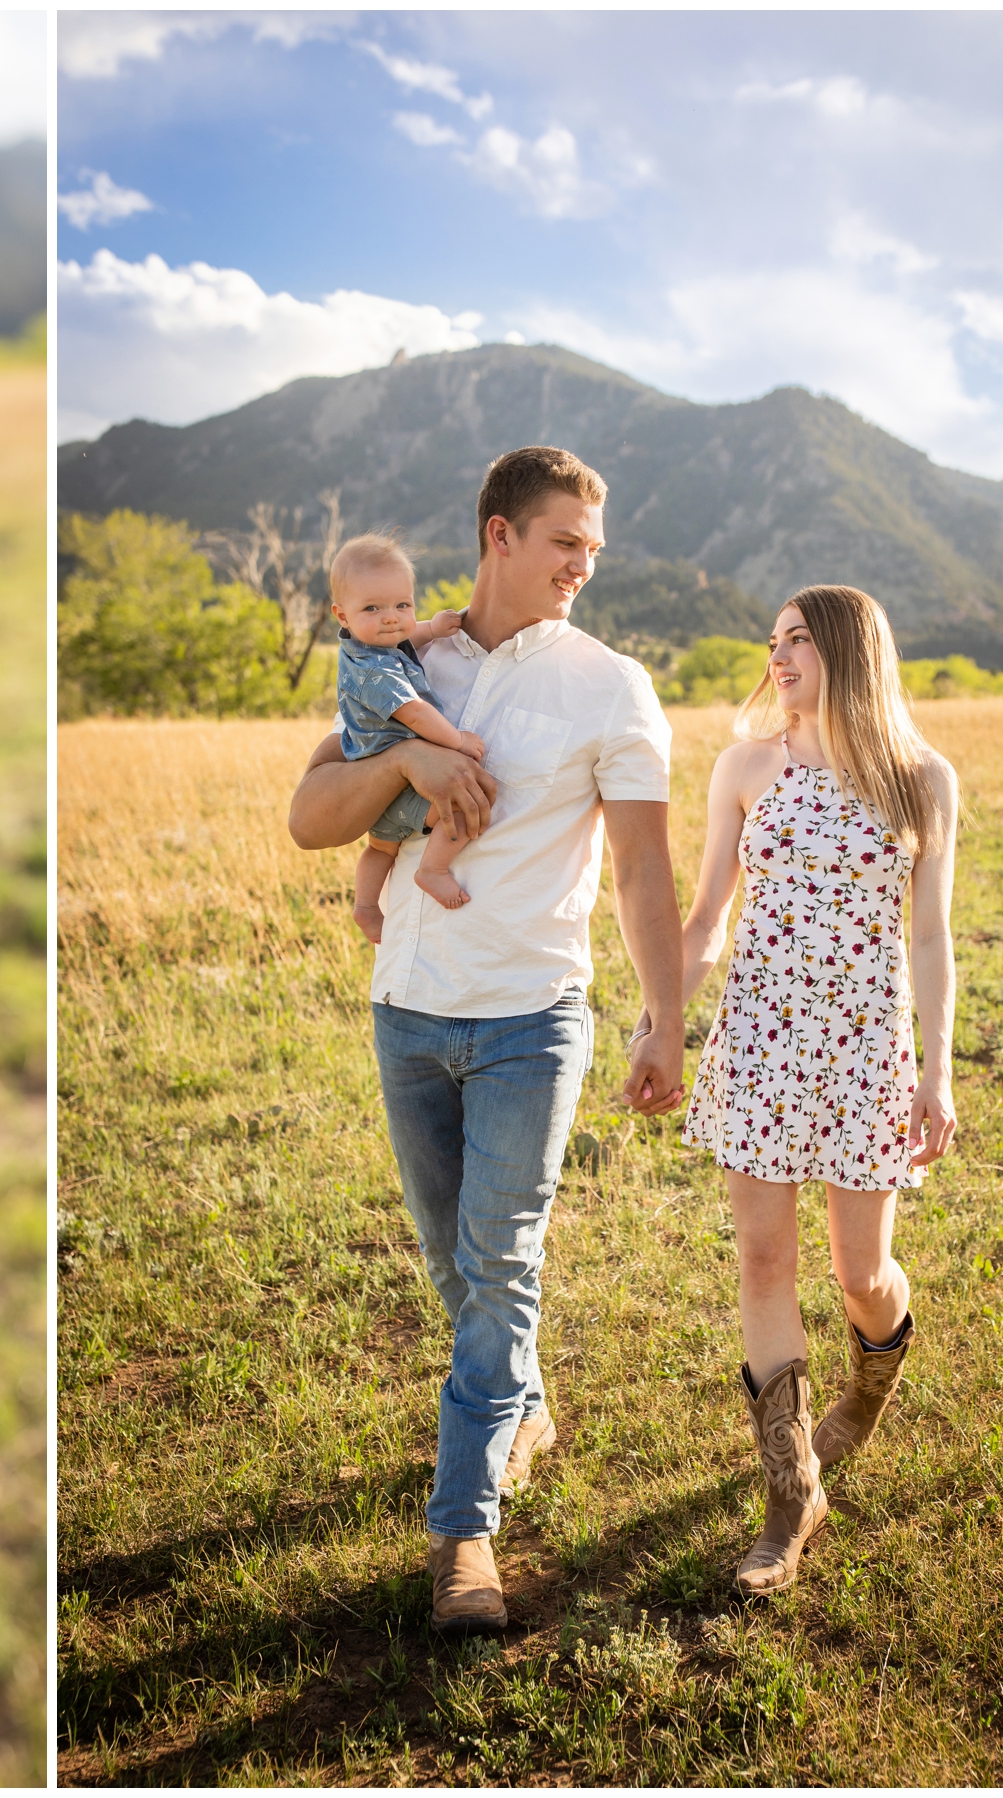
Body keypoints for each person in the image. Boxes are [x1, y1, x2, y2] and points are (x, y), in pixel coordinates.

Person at [289, 445, 686, 1634]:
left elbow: (643, 870)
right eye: (565, 540)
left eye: (595, 549)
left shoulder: (614, 685)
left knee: (502, 1262)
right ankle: (524, 1405)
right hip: (408, 1007)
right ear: (499, 533)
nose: (583, 565)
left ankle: (463, 1536)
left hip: (531, 1015)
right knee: (454, 1266)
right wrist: (406, 756)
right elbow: (311, 817)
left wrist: (665, 1017)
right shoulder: (400, 656)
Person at [675, 585, 957, 1595]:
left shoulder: (921, 780)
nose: (777, 652)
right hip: (758, 1045)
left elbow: (929, 936)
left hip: (863, 1053)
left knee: (862, 1275)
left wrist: (938, 1068)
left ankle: (869, 1391)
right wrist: (664, 1015)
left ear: (847, 648)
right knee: (762, 1260)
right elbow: (707, 916)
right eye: (773, 637)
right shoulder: (747, 765)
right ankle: (793, 1496)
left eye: (798, 637)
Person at [327, 533, 491, 940]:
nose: (391, 617)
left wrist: (431, 628)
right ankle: (432, 869)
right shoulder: (373, 673)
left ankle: (365, 907)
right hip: (398, 782)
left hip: (376, 777)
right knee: (466, 803)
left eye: (403, 604)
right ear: (341, 614)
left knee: (380, 848)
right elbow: (416, 713)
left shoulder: (369, 646)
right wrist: (456, 741)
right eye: (373, 608)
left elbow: (404, 637)